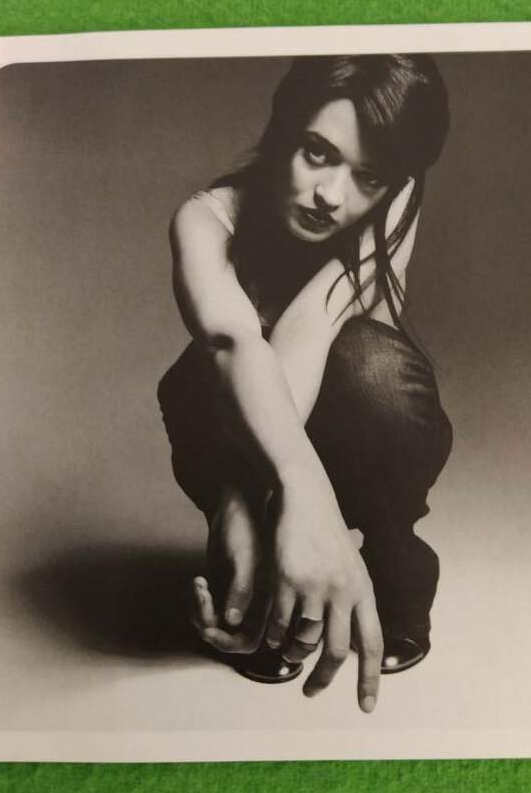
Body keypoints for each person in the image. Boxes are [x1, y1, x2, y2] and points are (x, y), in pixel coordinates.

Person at [157, 54, 452, 714]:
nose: (332, 196)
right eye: (318, 153)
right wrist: (240, 505)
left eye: (367, 176)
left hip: (366, 431)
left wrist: (300, 499)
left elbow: (312, 327)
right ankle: (270, 573)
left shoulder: (398, 199)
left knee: (370, 367)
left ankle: (394, 563)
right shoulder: (207, 220)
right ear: (284, 129)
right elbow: (237, 348)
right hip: (246, 425)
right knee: (197, 376)